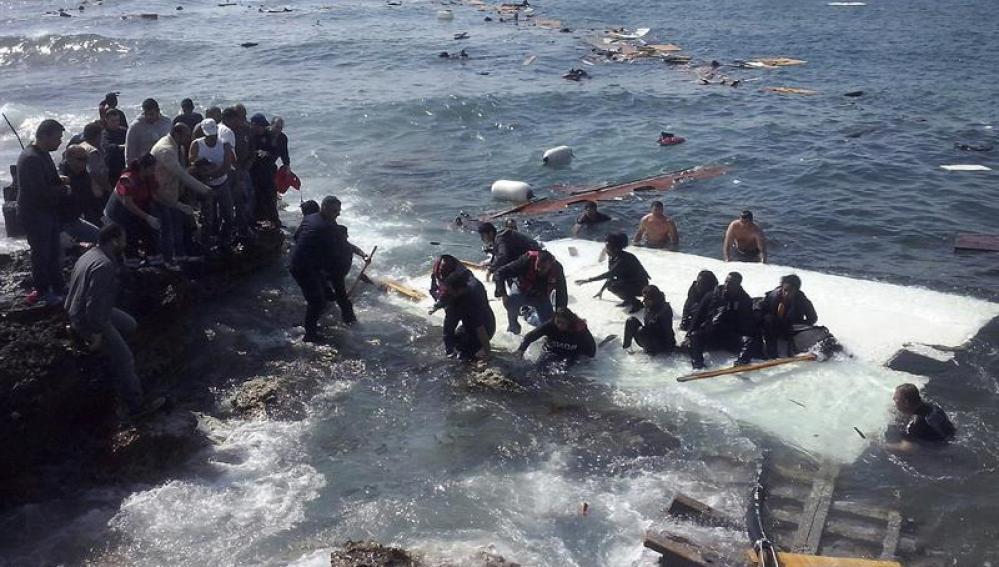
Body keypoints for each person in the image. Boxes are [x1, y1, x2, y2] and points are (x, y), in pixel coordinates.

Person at [64, 223, 164, 419]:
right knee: (125, 358)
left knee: (130, 324)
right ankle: (135, 406)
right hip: (89, 317)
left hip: (80, 307)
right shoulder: (104, 266)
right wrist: (96, 333)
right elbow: (94, 305)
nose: (126, 243)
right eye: (124, 239)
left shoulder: (91, 254)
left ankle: (120, 362)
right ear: (115, 240)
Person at [289, 196, 368, 342]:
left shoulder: (311, 218)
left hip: (299, 263)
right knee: (317, 301)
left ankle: (313, 323)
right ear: (324, 208)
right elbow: (340, 250)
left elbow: (296, 237)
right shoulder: (327, 227)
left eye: (339, 211)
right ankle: (310, 336)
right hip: (305, 268)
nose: (338, 214)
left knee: (326, 296)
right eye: (335, 211)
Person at [17, 119, 70, 305]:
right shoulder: (31, 158)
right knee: (42, 254)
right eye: (57, 138)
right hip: (35, 214)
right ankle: (43, 290)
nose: (60, 142)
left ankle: (58, 286)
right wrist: (64, 190)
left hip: (48, 212)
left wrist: (60, 181)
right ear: (45, 136)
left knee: (55, 251)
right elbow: (40, 192)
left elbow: (51, 180)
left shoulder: (44, 153)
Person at [151, 123, 212, 265]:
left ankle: (180, 255)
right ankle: (169, 260)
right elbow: (181, 174)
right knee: (167, 229)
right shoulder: (166, 150)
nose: (188, 139)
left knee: (178, 224)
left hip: (173, 192)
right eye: (186, 136)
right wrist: (205, 189)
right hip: (162, 195)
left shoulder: (178, 146)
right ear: (177, 134)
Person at [685, 272, 757, 369]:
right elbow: (698, 316)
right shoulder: (711, 295)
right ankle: (698, 363)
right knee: (694, 336)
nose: (727, 285)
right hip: (711, 333)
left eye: (731, 283)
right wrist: (688, 335)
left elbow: (748, 322)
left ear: (738, 285)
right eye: (726, 282)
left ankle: (741, 363)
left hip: (729, 335)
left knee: (749, 341)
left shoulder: (745, 300)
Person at [104, 154, 163, 267]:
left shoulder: (149, 177)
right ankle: (130, 266)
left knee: (150, 234)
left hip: (139, 209)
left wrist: (176, 204)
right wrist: (147, 217)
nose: (153, 171)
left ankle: (153, 262)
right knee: (130, 237)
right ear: (143, 167)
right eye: (151, 168)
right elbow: (128, 203)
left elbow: (157, 194)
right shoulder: (127, 179)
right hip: (120, 212)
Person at [493, 250, 567, 334]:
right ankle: (513, 326)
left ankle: (528, 315)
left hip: (541, 297)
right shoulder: (527, 260)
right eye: (537, 266)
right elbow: (499, 273)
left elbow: (562, 294)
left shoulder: (557, 269)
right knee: (512, 300)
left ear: (550, 265)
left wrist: (560, 314)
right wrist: (503, 294)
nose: (539, 270)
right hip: (521, 291)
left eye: (543, 268)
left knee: (550, 326)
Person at [189, 118, 235, 251]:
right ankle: (206, 243)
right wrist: (205, 171)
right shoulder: (196, 144)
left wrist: (210, 174)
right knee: (207, 218)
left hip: (221, 183)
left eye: (214, 134)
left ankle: (224, 240)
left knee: (228, 214)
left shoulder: (224, 145)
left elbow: (226, 167)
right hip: (205, 186)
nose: (212, 137)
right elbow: (193, 165)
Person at [428, 269, 495, 361]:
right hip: (479, 322)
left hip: (486, 327)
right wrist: (436, 306)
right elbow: (448, 327)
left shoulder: (469, 303)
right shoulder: (470, 283)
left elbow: (480, 330)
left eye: (450, 290)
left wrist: (487, 353)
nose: (448, 292)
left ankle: (474, 351)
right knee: (455, 340)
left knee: (464, 356)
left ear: (459, 290)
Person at [575, 232, 650, 313]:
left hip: (641, 286)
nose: (605, 248)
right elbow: (611, 276)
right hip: (629, 282)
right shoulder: (613, 257)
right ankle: (629, 300)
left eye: (607, 246)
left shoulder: (624, 259)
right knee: (612, 285)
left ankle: (637, 304)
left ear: (616, 248)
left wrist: (588, 280)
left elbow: (609, 274)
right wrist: (601, 290)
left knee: (615, 286)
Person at [514, 307, 596, 369]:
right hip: (551, 351)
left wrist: (588, 361)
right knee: (538, 368)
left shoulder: (579, 330)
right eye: (558, 322)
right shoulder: (551, 325)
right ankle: (528, 313)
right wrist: (521, 350)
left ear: (569, 322)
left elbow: (591, 347)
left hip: (571, 355)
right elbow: (531, 336)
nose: (559, 325)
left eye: (563, 323)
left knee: (563, 372)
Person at [883, 383, 956, 452]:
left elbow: (908, 448)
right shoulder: (933, 407)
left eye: (896, 399)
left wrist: (882, 445)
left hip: (939, 448)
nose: (893, 400)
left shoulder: (915, 425)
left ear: (906, 402)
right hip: (951, 435)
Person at [759, 274, 818, 359]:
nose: (786, 293)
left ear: (796, 290)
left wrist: (798, 325)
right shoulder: (772, 296)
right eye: (785, 290)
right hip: (772, 326)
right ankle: (770, 352)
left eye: (790, 291)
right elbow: (761, 310)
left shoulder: (803, 301)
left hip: (791, 327)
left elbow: (813, 318)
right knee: (768, 319)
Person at [477, 221, 541, 292]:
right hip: (533, 254)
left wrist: (490, 270)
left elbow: (502, 256)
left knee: (500, 271)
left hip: (534, 259)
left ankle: (507, 296)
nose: (482, 239)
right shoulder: (499, 238)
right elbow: (500, 255)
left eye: (483, 236)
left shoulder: (500, 238)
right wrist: (490, 263)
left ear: (490, 233)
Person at [219, 106, 254, 236]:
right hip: (230, 171)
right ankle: (233, 229)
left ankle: (244, 226)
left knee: (246, 198)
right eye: (239, 117)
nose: (242, 120)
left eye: (243, 116)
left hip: (243, 169)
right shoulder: (225, 131)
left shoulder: (246, 130)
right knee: (231, 201)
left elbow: (252, 150)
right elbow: (229, 155)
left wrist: (247, 165)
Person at [58, 145, 101, 243]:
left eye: (86, 159)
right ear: (69, 159)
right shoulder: (61, 176)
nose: (84, 162)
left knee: (101, 237)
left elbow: (97, 194)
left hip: (75, 220)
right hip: (60, 224)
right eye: (80, 159)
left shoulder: (84, 175)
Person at [623, 285, 675, 355]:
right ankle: (627, 347)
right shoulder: (649, 306)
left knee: (642, 330)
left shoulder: (664, 310)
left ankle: (650, 352)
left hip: (661, 344)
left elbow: (667, 331)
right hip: (650, 337)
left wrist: (670, 348)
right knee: (631, 320)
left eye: (646, 299)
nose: (644, 301)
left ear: (654, 299)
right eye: (644, 298)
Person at [248, 113, 280, 226]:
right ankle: (254, 220)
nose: (263, 128)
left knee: (270, 196)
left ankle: (274, 220)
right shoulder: (248, 135)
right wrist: (255, 153)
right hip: (252, 170)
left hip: (266, 170)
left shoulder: (268, 135)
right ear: (254, 125)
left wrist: (266, 153)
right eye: (260, 126)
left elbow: (275, 152)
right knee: (254, 197)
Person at [125, 98, 172, 162]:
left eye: (151, 114)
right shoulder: (135, 127)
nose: (149, 117)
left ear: (158, 111)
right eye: (146, 114)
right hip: (144, 165)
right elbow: (129, 151)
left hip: (165, 161)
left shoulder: (167, 122)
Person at [78, 121, 112, 209]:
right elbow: (95, 172)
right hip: (97, 189)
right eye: (101, 135)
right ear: (97, 136)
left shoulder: (82, 145)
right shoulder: (93, 152)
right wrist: (107, 186)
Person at [101, 108, 128, 185]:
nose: (116, 123)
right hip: (112, 167)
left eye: (117, 120)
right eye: (113, 121)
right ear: (106, 120)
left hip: (124, 164)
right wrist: (122, 146)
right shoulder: (104, 133)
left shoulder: (124, 131)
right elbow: (107, 147)